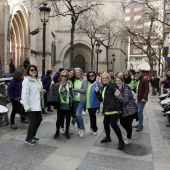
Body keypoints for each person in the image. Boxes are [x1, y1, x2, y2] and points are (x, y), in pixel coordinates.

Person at [95, 72, 125, 150]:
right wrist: (97, 92)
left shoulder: (112, 85)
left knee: (114, 125)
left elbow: (118, 97)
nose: (104, 79)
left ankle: (121, 141)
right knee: (105, 124)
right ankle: (108, 137)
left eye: (106, 78)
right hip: (107, 109)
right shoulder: (104, 87)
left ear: (108, 79)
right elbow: (101, 100)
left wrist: (118, 109)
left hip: (114, 109)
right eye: (103, 78)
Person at [21, 65, 44, 145]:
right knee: (33, 122)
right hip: (31, 105)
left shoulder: (37, 80)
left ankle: (32, 135)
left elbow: (38, 91)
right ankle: (28, 139)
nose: (34, 71)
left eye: (35, 70)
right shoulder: (27, 80)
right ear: (28, 71)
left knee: (39, 120)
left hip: (37, 104)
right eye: (32, 70)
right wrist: (26, 106)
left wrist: (42, 91)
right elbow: (24, 94)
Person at [114, 76, 137, 144]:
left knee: (128, 124)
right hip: (123, 110)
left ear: (122, 81)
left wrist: (118, 96)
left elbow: (125, 101)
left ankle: (129, 138)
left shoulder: (126, 88)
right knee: (122, 123)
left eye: (119, 80)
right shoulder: (118, 88)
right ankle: (129, 133)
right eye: (116, 81)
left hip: (130, 110)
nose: (118, 82)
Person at [53, 70, 71, 139]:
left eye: (65, 76)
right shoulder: (57, 84)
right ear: (60, 76)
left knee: (68, 119)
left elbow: (72, 94)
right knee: (59, 119)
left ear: (67, 77)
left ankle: (67, 132)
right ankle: (57, 131)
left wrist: (71, 89)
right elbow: (54, 94)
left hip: (68, 104)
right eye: (62, 75)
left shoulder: (69, 84)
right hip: (60, 104)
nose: (64, 77)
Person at [72, 67, 87, 137]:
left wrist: (76, 90)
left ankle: (82, 128)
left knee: (78, 114)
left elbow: (84, 90)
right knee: (76, 115)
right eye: (76, 73)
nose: (77, 74)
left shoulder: (84, 80)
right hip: (75, 100)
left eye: (78, 72)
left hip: (81, 100)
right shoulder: (74, 80)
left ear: (81, 72)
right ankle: (79, 129)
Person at [86, 71, 101, 135]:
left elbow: (100, 88)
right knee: (91, 115)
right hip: (88, 102)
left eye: (93, 75)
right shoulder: (87, 83)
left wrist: (97, 82)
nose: (91, 77)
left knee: (92, 115)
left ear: (95, 76)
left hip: (94, 102)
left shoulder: (97, 83)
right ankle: (92, 127)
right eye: (90, 76)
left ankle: (94, 129)